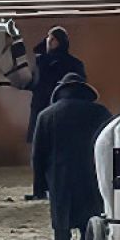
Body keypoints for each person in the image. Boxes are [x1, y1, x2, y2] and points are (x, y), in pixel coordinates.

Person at [31, 72, 112, 240]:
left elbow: (38, 155)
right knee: (90, 226)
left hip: (60, 180)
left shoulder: (46, 115)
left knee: (61, 227)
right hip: (91, 179)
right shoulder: (101, 113)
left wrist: (39, 186)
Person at [26, 26, 86, 198]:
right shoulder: (41, 62)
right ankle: (40, 190)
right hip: (42, 109)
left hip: (60, 112)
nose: (48, 42)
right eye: (48, 38)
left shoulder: (72, 64)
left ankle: (57, 188)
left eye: (53, 39)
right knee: (39, 153)